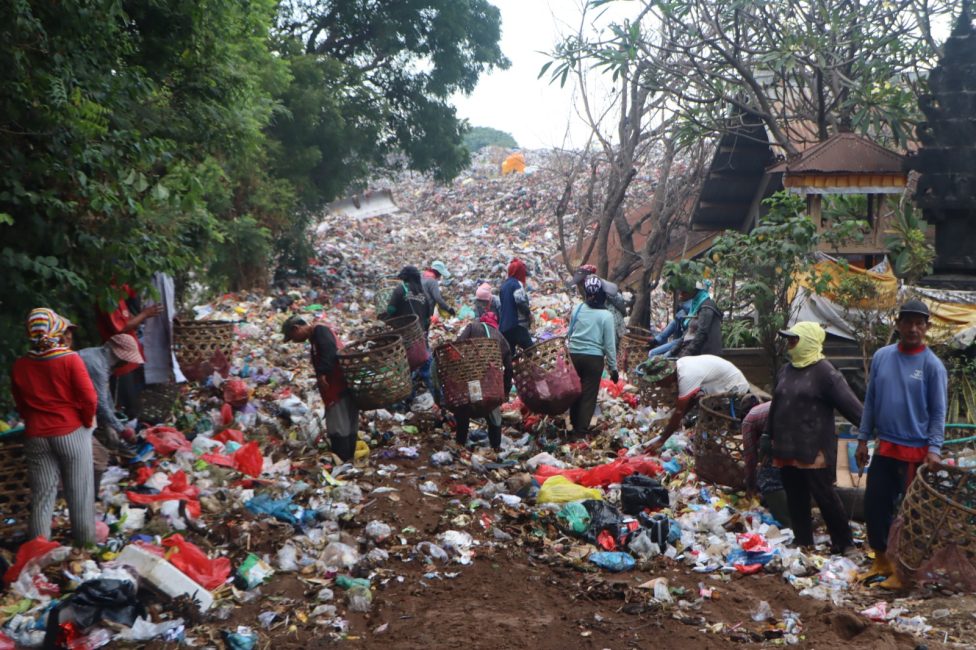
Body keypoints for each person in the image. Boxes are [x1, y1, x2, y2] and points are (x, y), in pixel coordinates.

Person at [856, 300, 947, 589]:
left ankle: (905, 571)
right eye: (907, 322)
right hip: (886, 446)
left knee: (909, 514)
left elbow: (938, 412)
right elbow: (870, 402)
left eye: (919, 323)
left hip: (915, 451)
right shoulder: (883, 357)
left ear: (927, 328)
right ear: (897, 324)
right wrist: (862, 438)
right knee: (875, 504)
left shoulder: (932, 366)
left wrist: (934, 449)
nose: (913, 328)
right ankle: (881, 559)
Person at [768, 322, 862, 556]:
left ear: (809, 341)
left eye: (794, 339)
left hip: (813, 446)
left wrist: (869, 432)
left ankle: (845, 543)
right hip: (786, 446)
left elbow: (852, 407)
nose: (789, 344)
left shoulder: (826, 373)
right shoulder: (786, 369)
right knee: (795, 494)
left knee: (824, 495)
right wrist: (767, 436)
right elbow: (776, 404)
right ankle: (803, 540)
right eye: (789, 340)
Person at [10, 308, 97, 546]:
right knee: (79, 492)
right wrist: (87, 422)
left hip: (36, 435)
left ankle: (37, 553)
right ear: (56, 329)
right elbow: (89, 399)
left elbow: (20, 404)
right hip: (70, 431)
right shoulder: (70, 359)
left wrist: (34, 421)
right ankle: (85, 546)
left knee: (42, 496)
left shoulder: (20, 365)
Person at [70, 330, 145, 493]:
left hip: (76, 411)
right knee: (99, 458)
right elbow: (100, 403)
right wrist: (121, 430)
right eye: (124, 360)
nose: (124, 364)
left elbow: (105, 396)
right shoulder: (95, 364)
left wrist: (113, 423)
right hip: (65, 413)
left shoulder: (99, 360)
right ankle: (88, 496)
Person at [282, 315, 360, 462]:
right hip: (342, 384)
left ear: (296, 328)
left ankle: (343, 459)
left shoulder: (320, 332)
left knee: (339, 425)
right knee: (348, 422)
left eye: (293, 337)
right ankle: (349, 459)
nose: (294, 341)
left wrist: (322, 374)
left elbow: (330, 351)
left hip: (336, 386)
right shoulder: (316, 335)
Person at [641, 354, 751, 453]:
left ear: (667, 375)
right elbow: (689, 402)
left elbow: (679, 411)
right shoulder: (681, 366)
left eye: (658, 380)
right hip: (718, 385)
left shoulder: (686, 376)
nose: (657, 384)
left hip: (733, 388)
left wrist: (661, 440)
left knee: (726, 430)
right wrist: (676, 419)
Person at [95, 284, 163, 416]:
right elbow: (120, 327)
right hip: (119, 359)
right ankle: (123, 428)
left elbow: (128, 318)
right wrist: (144, 314)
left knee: (133, 399)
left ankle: (133, 424)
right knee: (123, 402)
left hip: (130, 357)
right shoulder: (107, 297)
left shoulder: (119, 294)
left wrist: (144, 316)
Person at [452, 311, 513, 453]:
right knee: (493, 412)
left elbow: (456, 347)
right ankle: (496, 447)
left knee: (464, 408)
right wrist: (506, 390)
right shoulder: (500, 338)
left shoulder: (472, 328)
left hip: (471, 380)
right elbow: (509, 367)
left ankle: (460, 442)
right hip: (490, 384)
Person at [567, 276, 620, 437]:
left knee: (575, 393)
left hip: (574, 355)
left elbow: (570, 332)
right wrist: (613, 368)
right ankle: (581, 432)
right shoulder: (606, 316)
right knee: (588, 396)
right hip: (593, 359)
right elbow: (609, 345)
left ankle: (573, 425)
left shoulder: (578, 309)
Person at [740, 400, 791, 527]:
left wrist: (751, 485)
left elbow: (750, 457)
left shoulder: (748, 421)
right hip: (806, 430)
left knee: (768, 478)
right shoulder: (765, 408)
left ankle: (790, 524)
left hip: (788, 434)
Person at [570, 264, 628, 339]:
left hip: (612, 317)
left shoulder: (595, 285)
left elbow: (617, 300)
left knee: (614, 341)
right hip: (609, 317)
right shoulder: (594, 285)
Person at [675, 280, 723, 357]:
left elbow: (702, 332)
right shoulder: (696, 305)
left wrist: (686, 353)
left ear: (694, 290)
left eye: (684, 291)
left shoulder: (706, 307)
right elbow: (688, 332)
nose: (681, 294)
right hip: (698, 351)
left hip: (706, 354)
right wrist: (674, 350)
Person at [499, 258, 533, 352]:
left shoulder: (504, 286)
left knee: (510, 356)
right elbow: (520, 302)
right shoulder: (517, 284)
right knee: (532, 351)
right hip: (517, 325)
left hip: (504, 327)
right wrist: (528, 314)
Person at [386, 266, 432, 332]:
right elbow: (427, 318)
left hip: (403, 331)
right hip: (419, 332)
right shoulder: (424, 293)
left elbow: (391, 309)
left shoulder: (400, 289)